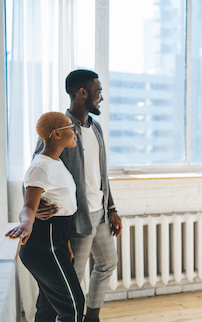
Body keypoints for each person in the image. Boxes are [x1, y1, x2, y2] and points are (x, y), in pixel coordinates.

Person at [33, 69, 122, 322]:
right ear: (82, 93)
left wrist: (112, 208)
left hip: (101, 214)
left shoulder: (96, 128)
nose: (101, 97)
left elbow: (101, 174)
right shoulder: (60, 129)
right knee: (72, 281)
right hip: (77, 220)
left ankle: (91, 318)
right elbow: (36, 168)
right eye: (98, 92)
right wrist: (35, 205)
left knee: (107, 264)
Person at [6, 112, 85, 322]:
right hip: (44, 246)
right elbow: (29, 206)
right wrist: (26, 222)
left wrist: (65, 243)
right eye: (70, 127)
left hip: (54, 241)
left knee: (48, 308)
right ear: (57, 134)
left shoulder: (56, 163)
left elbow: (63, 209)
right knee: (74, 307)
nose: (75, 131)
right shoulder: (39, 166)